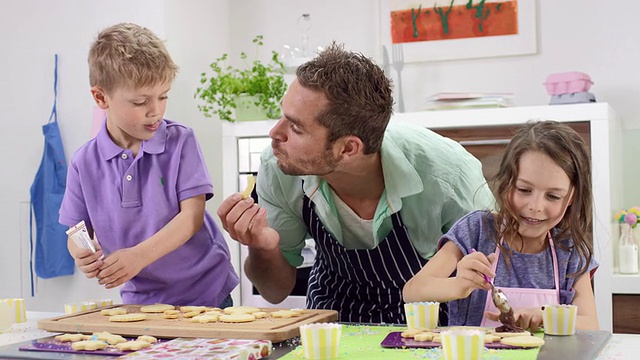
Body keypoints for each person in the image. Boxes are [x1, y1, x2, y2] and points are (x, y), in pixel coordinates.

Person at [217, 42, 494, 324]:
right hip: (332, 320)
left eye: (296, 127)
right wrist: (262, 248)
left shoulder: (449, 176)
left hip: (428, 323)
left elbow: (493, 284)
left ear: (348, 149)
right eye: (282, 117)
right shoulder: (278, 166)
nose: (275, 133)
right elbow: (275, 292)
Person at [59, 23, 238, 307]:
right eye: (141, 101)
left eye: (163, 96)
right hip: (140, 298)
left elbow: (191, 218)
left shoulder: (181, 142)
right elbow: (77, 229)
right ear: (101, 97)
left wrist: (138, 256)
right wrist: (82, 251)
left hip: (205, 291)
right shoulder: (84, 163)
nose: (155, 110)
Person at [403, 120, 600, 331]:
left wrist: (546, 315)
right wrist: (459, 285)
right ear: (507, 183)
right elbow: (412, 291)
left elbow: (590, 324)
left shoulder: (569, 252)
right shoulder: (476, 230)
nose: (535, 206)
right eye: (524, 190)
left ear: (571, 197)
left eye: (552, 196)